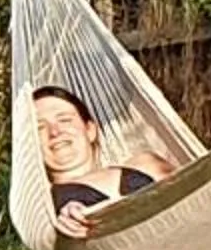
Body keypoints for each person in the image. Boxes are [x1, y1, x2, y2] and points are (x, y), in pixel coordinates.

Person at [32, 85, 173, 238]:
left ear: (90, 130)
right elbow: (43, 239)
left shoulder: (145, 163)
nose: (55, 132)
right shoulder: (43, 206)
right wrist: (64, 218)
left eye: (65, 120)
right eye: (39, 127)